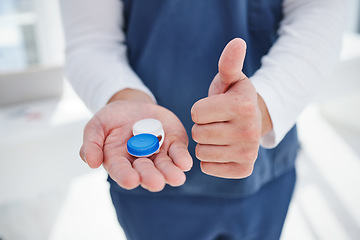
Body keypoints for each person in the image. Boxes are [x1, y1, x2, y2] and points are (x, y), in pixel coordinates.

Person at [60, 0, 346, 239]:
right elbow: (91, 40)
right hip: (148, 186)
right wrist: (124, 96)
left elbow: (321, 15)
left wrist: (264, 107)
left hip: (262, 171)